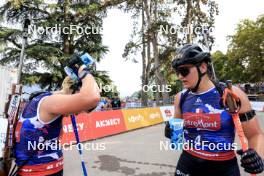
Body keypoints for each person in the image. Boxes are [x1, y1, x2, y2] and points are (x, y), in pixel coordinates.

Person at [165, 44, 264, 176]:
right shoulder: (180, 98)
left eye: (184, 71)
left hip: (223, 167)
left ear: (203, 67)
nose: (180, 76)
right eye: (177, 72)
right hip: (188, 163)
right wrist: (170, 132)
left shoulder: (231, 94)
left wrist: (258, 156)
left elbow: (255, 135)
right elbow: (176, 139)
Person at [13, 56, 100, 176]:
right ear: (73, 93)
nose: (76, 113)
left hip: (44, 168)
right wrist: (82, 70)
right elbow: (92, 98)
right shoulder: (50, 102)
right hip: (40, 171)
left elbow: (55, 136)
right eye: (78, 109)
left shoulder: (46, 99)